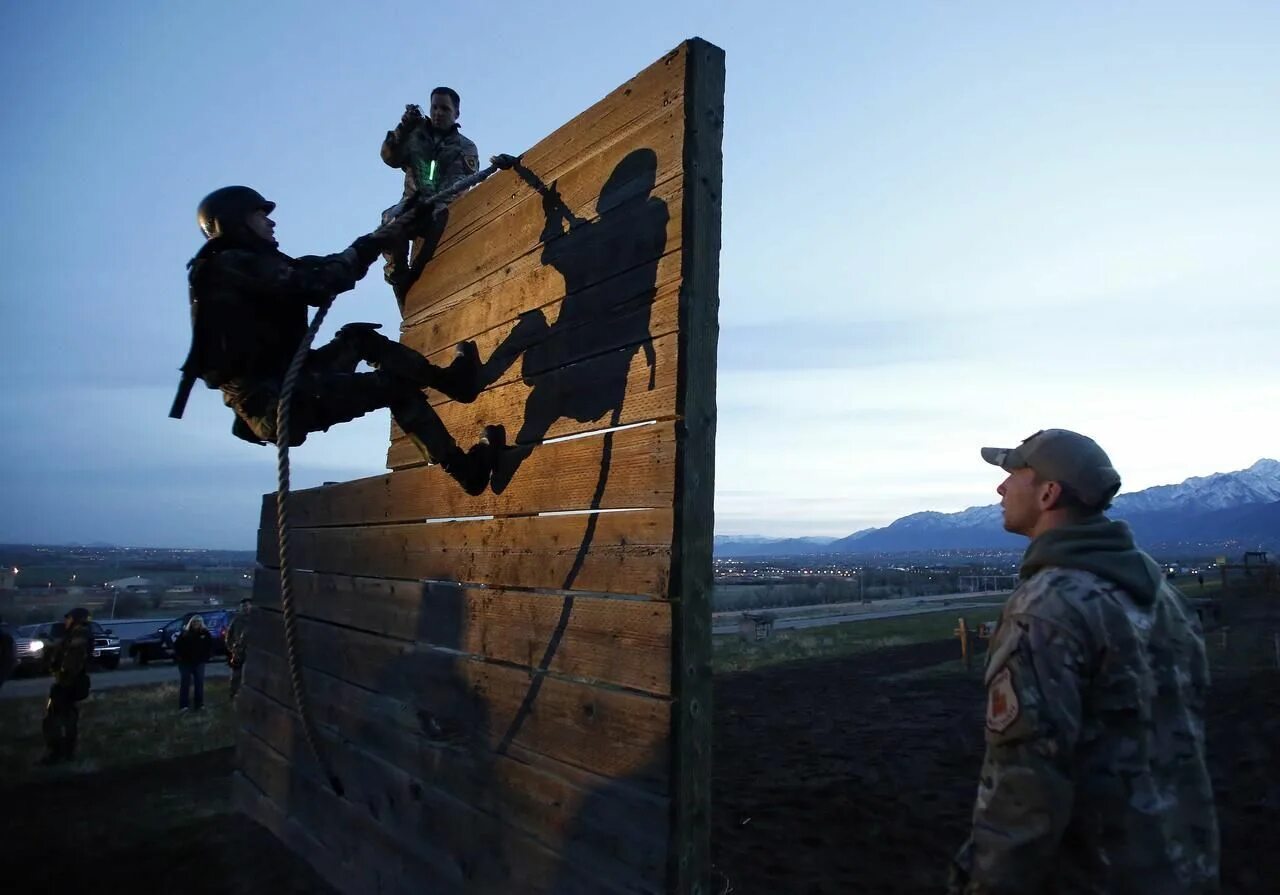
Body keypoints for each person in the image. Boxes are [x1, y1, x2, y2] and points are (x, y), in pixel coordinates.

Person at [949, 429, 1219, 894]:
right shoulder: (1159, 595)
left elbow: (1023, 790)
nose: (1000, 488)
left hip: (1095, 876)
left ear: (1048, 493)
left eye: (1013, 475)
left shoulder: (1047, 607)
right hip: (1180, 865)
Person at [172, 185, 497, 494]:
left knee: (358, 337)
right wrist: (373, 243)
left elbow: (323, 266)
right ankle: (465, 471)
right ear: (233, 222)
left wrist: (382, 236)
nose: (270, 221)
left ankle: (455, 384)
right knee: (395, 387)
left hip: (292, 381)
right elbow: (321, 281)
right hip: (281, 402)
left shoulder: (248, 263)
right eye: (259, 215)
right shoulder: (231, 265)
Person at [379, 86, 480, 303]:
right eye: (434, 107)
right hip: (410, 205)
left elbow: (462, 183)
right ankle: (397, 274)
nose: (438, 113)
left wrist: (436, 202)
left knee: (429, 257)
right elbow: (390, 158)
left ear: (456, 114)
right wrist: (403, 128)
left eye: (445, 108)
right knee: (389, 221)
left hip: (441, 208)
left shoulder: (465, 146)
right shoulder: (416, 136)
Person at [40, 607, 94, 764]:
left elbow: (71, 660)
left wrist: (60, 674)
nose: (66, 621)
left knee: (55, 720)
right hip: (70, 683)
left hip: (67, 684)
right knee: (66, 718)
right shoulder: (76, 635)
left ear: (76, 620)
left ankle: (57, 754)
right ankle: (65, 753)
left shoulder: (79, 635)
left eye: (69, 618)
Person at [174, 615, 214, 712]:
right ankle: (184, 706)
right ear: (191, 623)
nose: (196, 623)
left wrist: (206, 657)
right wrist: (180, 657)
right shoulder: (184, 634)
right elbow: (177, 647)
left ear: (201, 623)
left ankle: (199, 705)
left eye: (198, 622)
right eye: (194, 622)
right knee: (185, 684)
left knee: (199, 684)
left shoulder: (205, 633)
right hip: (185, 663)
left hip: (199, 663)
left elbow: (210, 647)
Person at [225, 598, 251, 700]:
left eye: (248, 605)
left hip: (252, 652)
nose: (246, 608)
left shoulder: (256, 619)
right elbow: (228, 635)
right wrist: (231, 648)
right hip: (238, 652)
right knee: (236, 675)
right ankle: (234, 694)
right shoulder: (236, 620)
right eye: (244, 606)